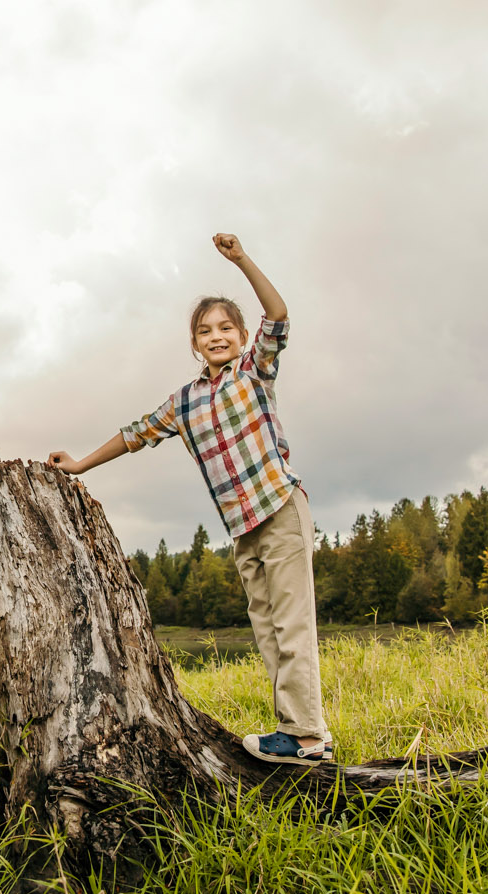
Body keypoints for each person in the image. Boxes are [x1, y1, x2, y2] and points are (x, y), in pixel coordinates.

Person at [48, 234, 333, 765]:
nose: (216, 336)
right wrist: (83, 462)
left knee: (293, 623)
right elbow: (136, 432)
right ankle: (291, 731)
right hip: (242, 526)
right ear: (195, 344)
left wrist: (241, 259)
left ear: (243, 336)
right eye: (206, 331)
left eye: (226, 328)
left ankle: (310, 736)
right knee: (267, 627)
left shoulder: (254, 372)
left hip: (281, 508)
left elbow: (280, 314)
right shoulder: (184, 402)